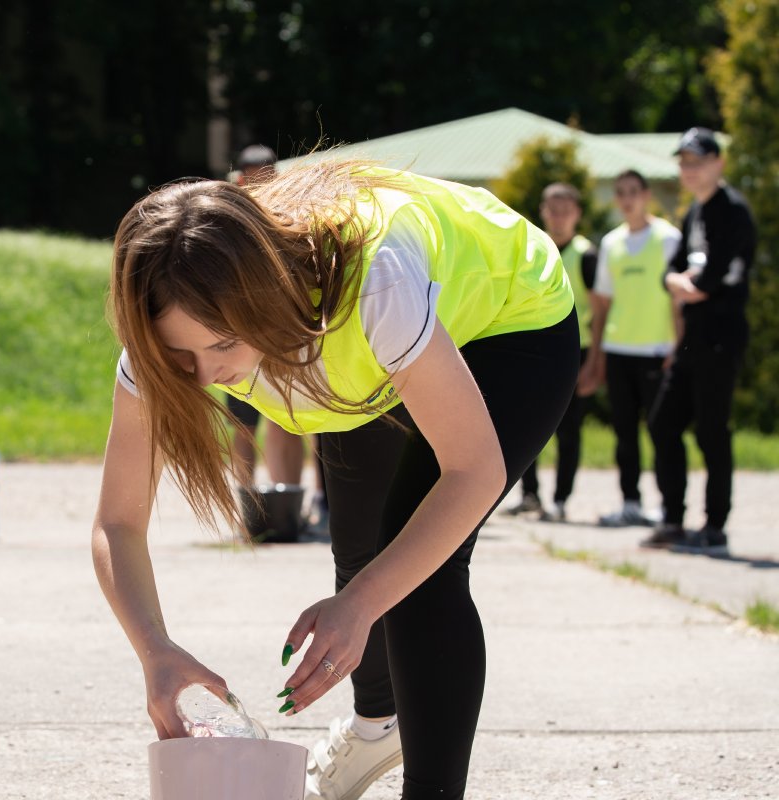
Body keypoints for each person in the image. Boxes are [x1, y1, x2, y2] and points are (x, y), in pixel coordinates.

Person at [93, 159, 577, 800]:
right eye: (181, 356)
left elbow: (474, 470)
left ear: (264, 302)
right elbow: (118, 522)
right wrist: (153, 650)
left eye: (223, 347)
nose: (206, 378)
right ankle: (378, 727)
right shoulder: (163, 347)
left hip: (507, 315)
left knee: (412, 573)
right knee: (360, 558)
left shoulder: (374, 288)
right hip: (362, 351)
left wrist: (364, 605)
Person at [644, 128, 756, 554]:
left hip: (721, 336)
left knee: (712, 430)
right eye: (684, 162)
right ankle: (674, 519)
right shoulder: (694, 212)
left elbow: (710, 282)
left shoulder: (733, 212)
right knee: (663, 421)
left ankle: (714, 525)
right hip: (692, 336)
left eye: (697, 161)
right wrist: (681, 283)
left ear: (718, 163)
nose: (689, 170)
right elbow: (669, 274)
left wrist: (687, 284)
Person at [231, 145, 328, 532]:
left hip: (285, 331)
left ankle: (297, 504)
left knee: (295, 421)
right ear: (241, 179)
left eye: (265, 176)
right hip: (242, 332)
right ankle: (248, 504)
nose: (259, 184)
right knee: (242, 425)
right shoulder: (229, 213)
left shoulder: (291, 211)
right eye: (252, 177)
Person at [588, 171, 681, 528]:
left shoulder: (669, 238)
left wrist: (677, 345)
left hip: (658, 350)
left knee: (662, 432)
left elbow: (679, 301)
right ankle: (630, 502)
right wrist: (596, 357)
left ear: (646, 195)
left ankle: (668, 506)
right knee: (624, 432)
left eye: (633, 192)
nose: (627, 199)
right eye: (620, 193)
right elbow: (602, 306)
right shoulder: (611, 243)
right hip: (618, 350)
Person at [505, 182, 598, 522]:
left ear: (577, 213)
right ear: (543, 211)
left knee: (569, 430)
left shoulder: (587, 255)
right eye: (552, 209)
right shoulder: (534, 248)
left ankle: (560, 500)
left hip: (578, 352)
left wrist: (596, 364)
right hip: (536, 351)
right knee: (527, 426)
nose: (558, 217)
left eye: (566, 210)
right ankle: (530, 495)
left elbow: (601, 310)